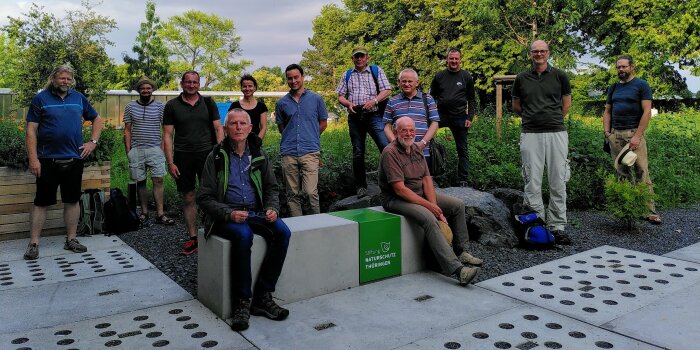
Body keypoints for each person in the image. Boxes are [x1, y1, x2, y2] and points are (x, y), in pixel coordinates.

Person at [197, 109, 291, 331]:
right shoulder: (216, 156)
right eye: (233, 124)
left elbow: (271, 187)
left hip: (255, 212)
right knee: (243, 235)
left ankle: (263, 296)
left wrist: (271, 208)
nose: (238, 127)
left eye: (243, 123)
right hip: (226, 214)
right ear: (226, 129)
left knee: (282, 232)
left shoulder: (259, 153)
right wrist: (228, 213)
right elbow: (204, 197)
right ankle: (242, 302)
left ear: (251, 128)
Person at [379, 117, 482, 286]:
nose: (409, 133)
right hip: (396, 199)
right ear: (396, 132)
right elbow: (400, 189)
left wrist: (435, 205)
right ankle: (458, 270)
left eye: (412, 130)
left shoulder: (417, 148)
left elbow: (427, 180)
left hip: (418, 193)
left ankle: (462, 251)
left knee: (457, 205)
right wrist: (431, 208)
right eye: (404, 130)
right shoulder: (390, 153)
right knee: (428, 217)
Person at [23, 64, 104, 260]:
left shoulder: (78, 98)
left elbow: (97, 119)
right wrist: (33, 159)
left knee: (72, 200)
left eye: (68, 79)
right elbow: (31, 130)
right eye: (62, 78)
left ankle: (71, 240)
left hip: (74, 159)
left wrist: (92, 142)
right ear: (53, 79)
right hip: (47, 160)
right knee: (41, 202)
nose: (65, 82)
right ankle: (34, 243)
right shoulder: (40, 98)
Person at [511, 40, 572, 245]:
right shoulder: (521, 78)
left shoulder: (560, 76)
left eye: (542, 51)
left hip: (556, 132)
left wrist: (551, 117)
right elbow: (516, 105)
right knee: (532, 180)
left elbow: (566, 104)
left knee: (558, 179)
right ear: (530, 54)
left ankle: (557, 226)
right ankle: (536, 224)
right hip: (531, 133)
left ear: (548, 53)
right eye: (535, 51)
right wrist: (532, 116)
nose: (539, 54)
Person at [164, 70, 224, 255]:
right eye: (188, 82)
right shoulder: (172, 106)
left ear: (199, 84)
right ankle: (193, 238)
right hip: (183, 157)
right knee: (188, 197)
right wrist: (170, 162)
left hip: (207, 155)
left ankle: (215, 233)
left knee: (213, 194)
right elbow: (167, 135)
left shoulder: (208, 102)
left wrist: (221, 153)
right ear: (181, 84)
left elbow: (218, 128)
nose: (191, 85)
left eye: (195, 82)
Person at [602, 55, 661, 224]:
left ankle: (649, 211)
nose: (621, 70)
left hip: (633, 134)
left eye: (624, 67)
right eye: (618, 67)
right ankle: (626, 210)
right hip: (616, 135)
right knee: (622, 172)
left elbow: (647, 112)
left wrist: (637, 136)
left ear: (631, 67)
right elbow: (607, 111)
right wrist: (607, 133)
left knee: (642, 171)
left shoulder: (641, 85)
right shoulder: (613, 88)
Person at [336, 46, 392, 198]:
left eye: (362, 56)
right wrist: (348, 104)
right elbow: (340, 95)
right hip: (355, 116)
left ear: (367, 57)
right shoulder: (347, 74)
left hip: (374, 115)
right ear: (352, 59)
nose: (359, 59)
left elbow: (387, 90)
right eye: (356, 56)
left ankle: (392, 182)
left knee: (385, 147)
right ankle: (361, 186)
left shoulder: (376, 71)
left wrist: (374, 101)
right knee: (358, 152)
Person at [275, 64, 328, 216]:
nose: (293, 81)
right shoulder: (281, 103)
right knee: (292, 194)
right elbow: (282, 127)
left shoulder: (316, 99)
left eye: (296, 77)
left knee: (311, 192)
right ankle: (298, 227)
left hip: (310, 151)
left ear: (302, 77)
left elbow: (323, 123)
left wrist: (309, 135)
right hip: (289, 151)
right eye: (289, 78)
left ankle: (316, 224)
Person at [123, 76, 173, 226]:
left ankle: (160, 213)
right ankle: (144, 212)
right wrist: (128, 150)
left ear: (152, 90)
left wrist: (162, 148)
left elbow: (166, 129)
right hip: (137, 149)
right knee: (141, 181)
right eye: (142, 88)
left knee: (158, 180)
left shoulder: (160, 106)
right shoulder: (130, 107)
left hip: (155, 148)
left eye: (148, 88)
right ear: (138, 90)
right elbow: (127, 129)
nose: (145, 90)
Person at [430, 48, 477, 186]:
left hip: (460, 116)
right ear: (447, 60)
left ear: (460, 60)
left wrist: (470, 117)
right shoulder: (439, 76)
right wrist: (431, 116)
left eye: (456, 58)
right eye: (451, 59)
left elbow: (472, 100)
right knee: (426, 141)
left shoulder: (466, 77)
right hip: (440, 115)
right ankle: (430, 175)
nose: (454, 61)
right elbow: (431, 97)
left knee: (462, 150)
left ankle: (463, 180)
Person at [383, 69, 440, 164]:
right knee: (400, 178)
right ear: (399, 83)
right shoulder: (392, 101)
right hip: (399, 153)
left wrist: (423, 143)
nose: (407, 84)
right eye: (404, 81)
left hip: (423, 151)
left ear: (417, 83)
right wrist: (396, 144)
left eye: (410, 81)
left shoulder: (427, 99)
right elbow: (386, 127)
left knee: (425, 178)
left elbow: (435, 123)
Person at [228, 74, 268, 141]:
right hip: (238, 141)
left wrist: (257, 142)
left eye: (250, 86)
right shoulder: (234, 105)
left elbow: (263, 127)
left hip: (255, 142)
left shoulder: (261, 106)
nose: (247, 89)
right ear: (241, 88)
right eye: (244, 86)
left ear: (255, 88)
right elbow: (229, 124)